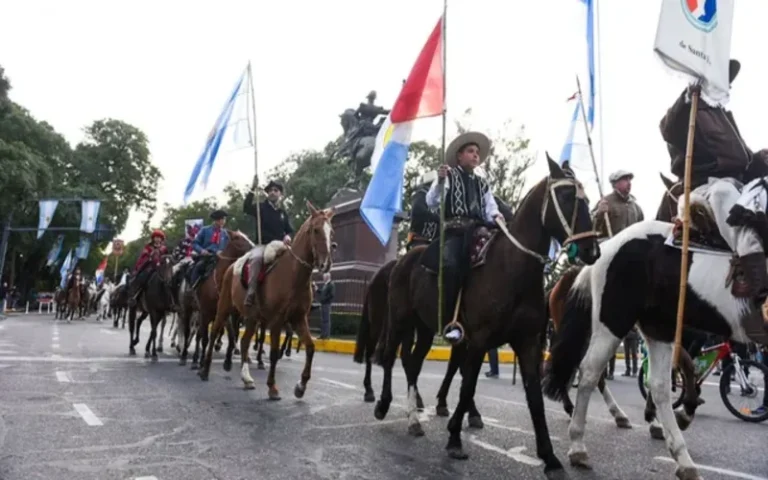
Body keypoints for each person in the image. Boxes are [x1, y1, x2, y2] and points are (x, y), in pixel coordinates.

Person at [425, 131, 504, 338]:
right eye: (470, 151)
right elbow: (431, 201)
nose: (475, 155)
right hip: (455, 232)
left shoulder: (483, 183)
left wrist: (498, 217)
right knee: (451, 265)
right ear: (459, 156)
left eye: (477, 152)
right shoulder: (449, 175)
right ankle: (450, 321)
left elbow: (491, 208)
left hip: (479, 231)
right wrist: (440, 181)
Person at [593, 170, 644, 379]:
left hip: (631, 256)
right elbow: (592, 227)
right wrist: (598, 213)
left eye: (630, 180)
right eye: (625, 181)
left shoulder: (636, 206)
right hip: (609, 250)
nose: (629, 184)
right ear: (615, 183)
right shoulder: (604, 202)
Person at [243, 177, 294, 246]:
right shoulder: (260, 207)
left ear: (281, 195)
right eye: (270, 190)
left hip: (280, 246)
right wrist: (253, 188)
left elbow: (290, 231)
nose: (272, 192)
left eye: (275, 190)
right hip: (263, 246)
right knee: (255, 257)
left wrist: (288, 236)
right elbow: (246, 208)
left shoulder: (282, 213)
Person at [189, 210, 230, 289]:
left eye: (224, 219)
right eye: (221, 219)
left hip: (221, 259)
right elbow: (194, 243)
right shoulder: (205, 230)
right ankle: (192, 288)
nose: (223, 222)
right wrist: (202, 250)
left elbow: (227, 246)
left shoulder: (225, 234)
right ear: (216, 220)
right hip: (207, 257)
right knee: (198, 267)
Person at [127, 230, 168, 306]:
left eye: (159, 237)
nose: (158, 239)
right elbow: (144, 257)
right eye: (156, 237)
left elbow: (166, 257)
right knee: (143, 277)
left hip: (161, 267)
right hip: (150, 266)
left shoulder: (164, 248)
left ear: (162, 239)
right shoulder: (148, 247)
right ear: (153, 238)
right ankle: (135, 295)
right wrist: (150, 257)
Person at [407, 171, 441, 250]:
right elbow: (419, 210)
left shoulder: (438, 200)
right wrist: (438, 218)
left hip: (434, 243)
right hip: (419, 240)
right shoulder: (421, 194)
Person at [317, 272, 335, 339]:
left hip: (327, 304)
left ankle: (326, 335)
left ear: (327, 277)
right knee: (323, 320)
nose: (323, 278)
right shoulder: (325, 285)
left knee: (326, 320)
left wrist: (324, 300)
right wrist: (317, 289)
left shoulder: (331, 284)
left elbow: (332, 295)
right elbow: (322, 292)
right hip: (323, 304)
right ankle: (322, 335)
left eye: (324, 277)